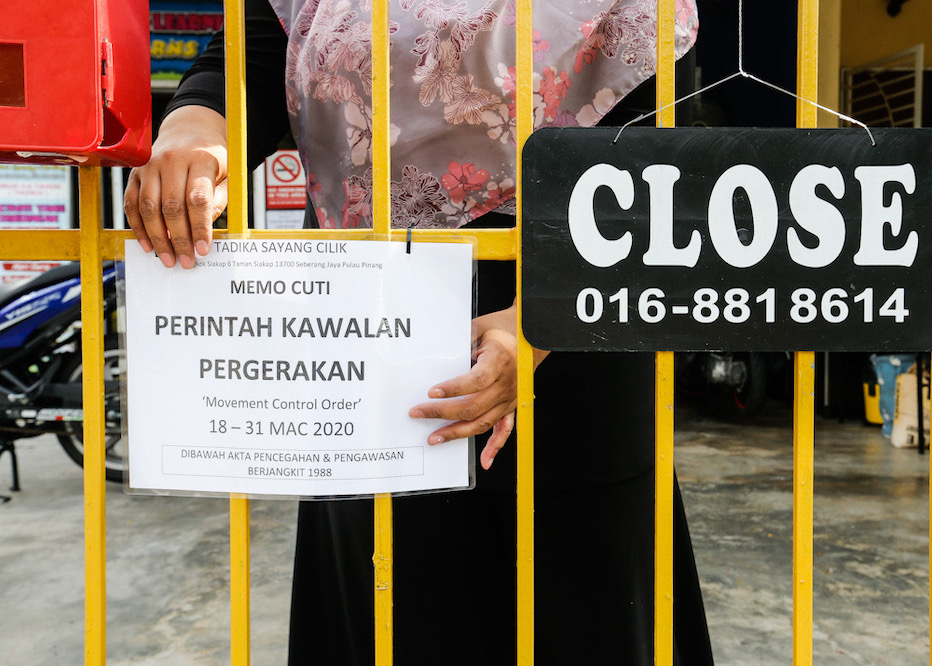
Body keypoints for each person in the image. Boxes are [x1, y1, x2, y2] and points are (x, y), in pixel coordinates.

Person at [124, 0, 713, 664]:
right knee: (390, 605)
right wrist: (195, 135)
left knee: (583, 609)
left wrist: (538, 323)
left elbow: (654, 165)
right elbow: (250, 58)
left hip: (574, 321)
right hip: (372, 329)